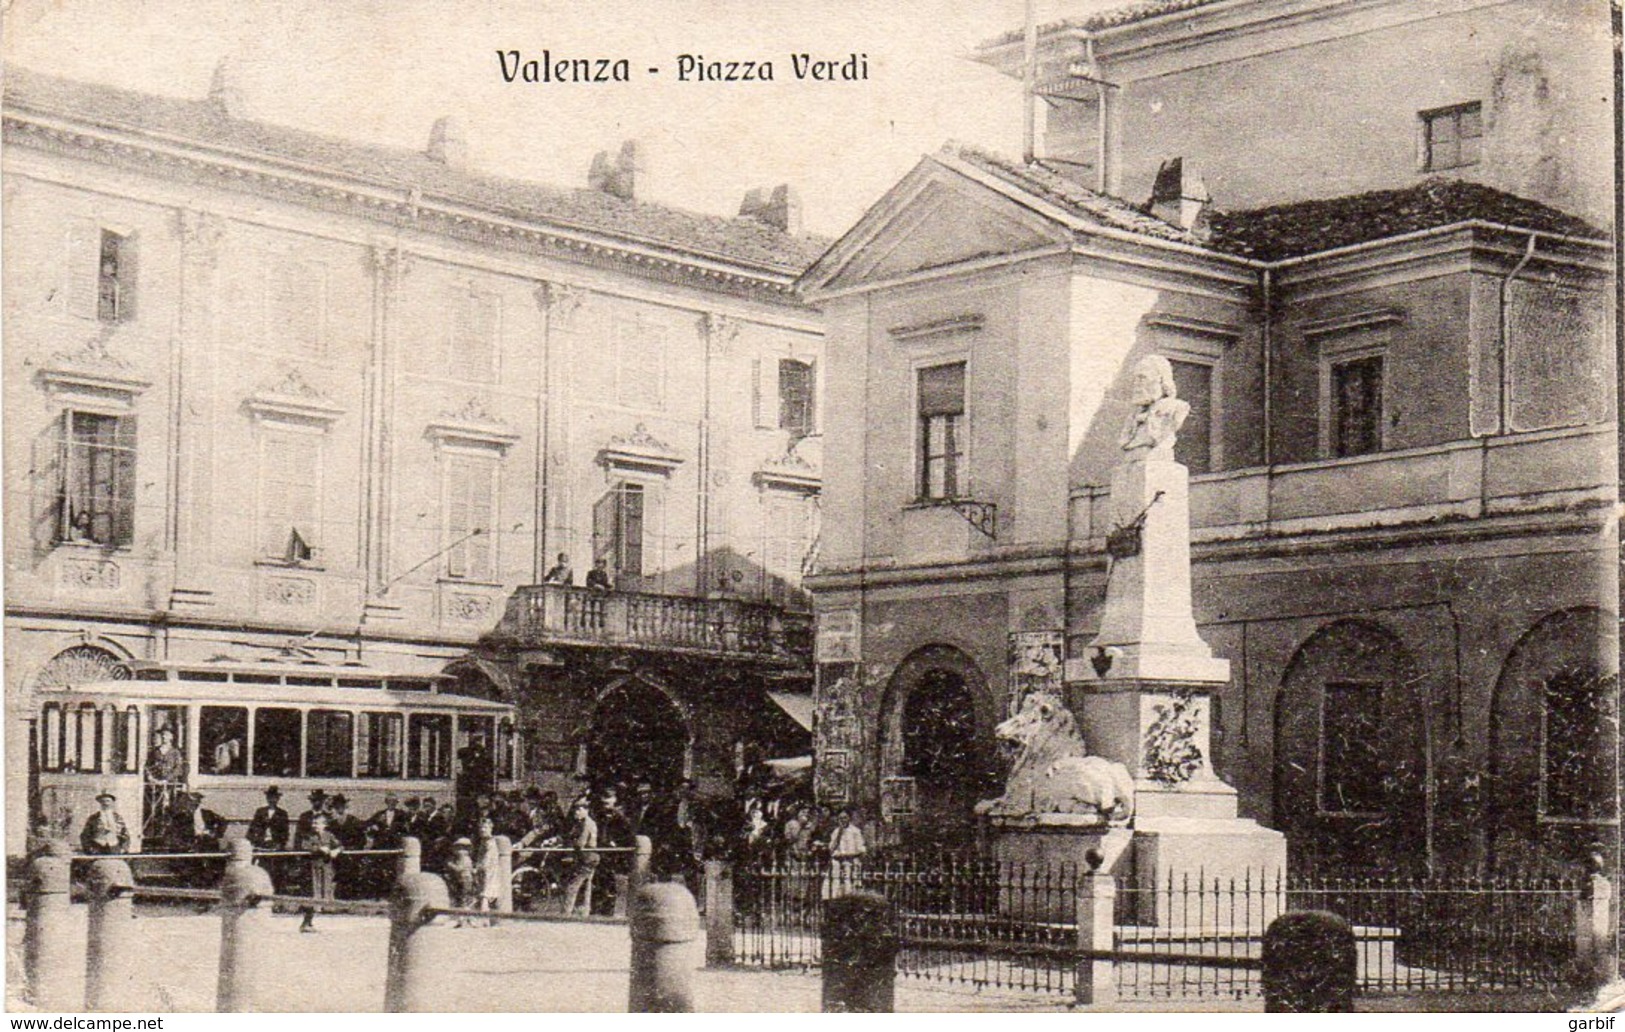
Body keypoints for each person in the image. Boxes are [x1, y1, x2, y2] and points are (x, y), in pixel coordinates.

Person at [299, 812, 343, 932]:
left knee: (326, 892)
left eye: (317, 823)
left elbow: (340, 845)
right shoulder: (309, 836)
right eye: (313, 823)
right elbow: (304, 846)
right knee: (314, 893)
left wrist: (337, 850)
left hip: (326, 868)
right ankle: (306, 922)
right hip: (313, 868)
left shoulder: (329, 835)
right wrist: (319, 849)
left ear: (324, 825)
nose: (314, 825)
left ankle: (314, 922)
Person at [560, 799, 599, 916]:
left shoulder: (587, 824)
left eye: (579, 809)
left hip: (587, 858)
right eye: (575, 810)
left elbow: (580, 842)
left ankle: (565, 913)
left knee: (572, 886)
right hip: (586, 858)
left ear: (586, 810)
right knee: (585, 887)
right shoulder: (579, 823)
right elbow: (570, 836)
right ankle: (583, 913)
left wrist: (569, 844)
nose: (576, 812)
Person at [825, 809, 867, 899]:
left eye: (845, 818)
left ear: (849, 818)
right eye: (840, 818)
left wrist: (853, 855)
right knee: (835, 885)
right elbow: (831, 848)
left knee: (850, 886)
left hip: (851, 861)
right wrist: (839, 834)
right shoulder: (836, 832)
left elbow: (861, 848)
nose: (842, 820)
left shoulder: (855, 831)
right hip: (838, 861)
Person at [249, 786, 290, 850]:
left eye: (274, 798)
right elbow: (252, 828)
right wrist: (252, 841)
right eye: (270, 797)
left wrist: (280, 844)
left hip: (275, 844)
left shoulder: (282, 814)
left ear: (278, 799)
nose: (272, 800)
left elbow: (285, 832)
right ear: (267, 798)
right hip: (261, 843)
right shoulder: (260, 812)